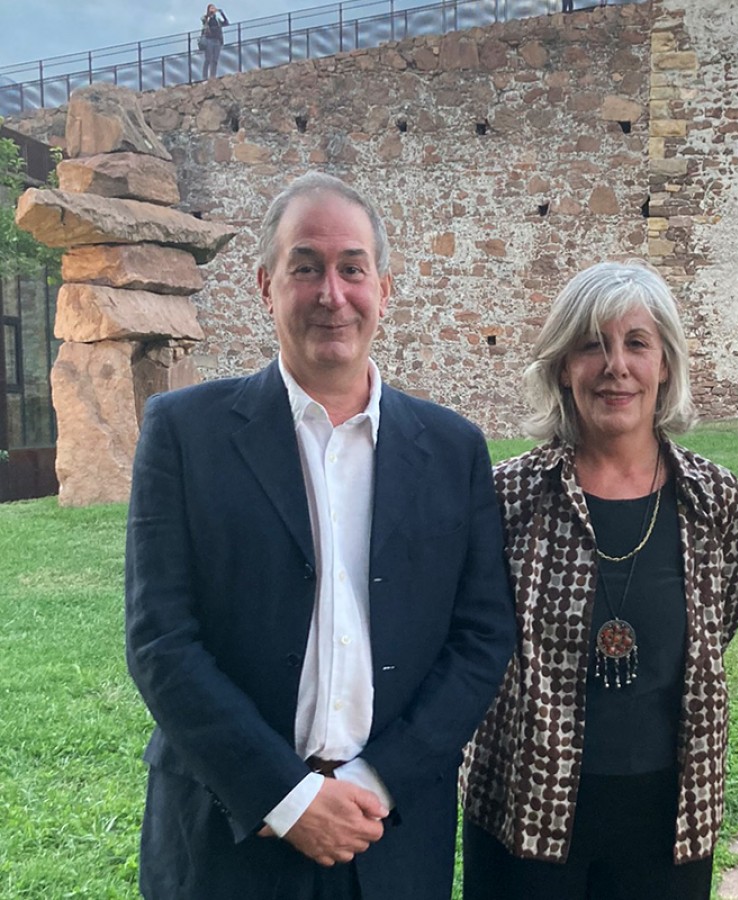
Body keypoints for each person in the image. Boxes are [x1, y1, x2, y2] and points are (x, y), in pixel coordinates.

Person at [125, 171, 515, 900]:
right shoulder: (184, 435)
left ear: (385, 289)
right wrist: (288, 796)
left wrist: (376, 780)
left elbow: (482, 638)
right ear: (266, 286)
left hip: (390, 837)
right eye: (305, 267)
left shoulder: (454, 449)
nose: (331, 293)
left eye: (351, 268)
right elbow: (160, 641)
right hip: (227, 835)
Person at [460, 261, 738, 899]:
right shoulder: (507, 498)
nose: (615, 366)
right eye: (592, 344)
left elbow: (721, 615)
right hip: (526, 808)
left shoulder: (714, 501)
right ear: (564, 367)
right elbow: (472, 639)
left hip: (669, 814)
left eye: (637, 344)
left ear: (666, 365)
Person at [200, 4, 230, 80]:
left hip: (217, 40)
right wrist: (209, 15)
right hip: (209, 40)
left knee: (215, 60)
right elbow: (203, 20)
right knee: (208, 59)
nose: (213, 9)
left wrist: (221, 13)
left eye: (214, 8)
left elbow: (226, 23)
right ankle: (205, 77)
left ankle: (213, 76)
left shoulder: (217, 19)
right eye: (211, 8)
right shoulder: (207, 18)